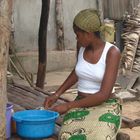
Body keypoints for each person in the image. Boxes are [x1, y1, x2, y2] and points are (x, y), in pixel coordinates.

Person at [44, 9, 121, 140]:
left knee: (100, 137)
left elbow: (103, 95)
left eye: (78, 34)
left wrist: (68, 106)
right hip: (80, 103)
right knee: (66, 136)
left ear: (89, 34)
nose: (76, 38)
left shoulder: (112, 53)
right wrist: (56, 94)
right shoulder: (81, 46)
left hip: (106, 105)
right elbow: (78, 71)